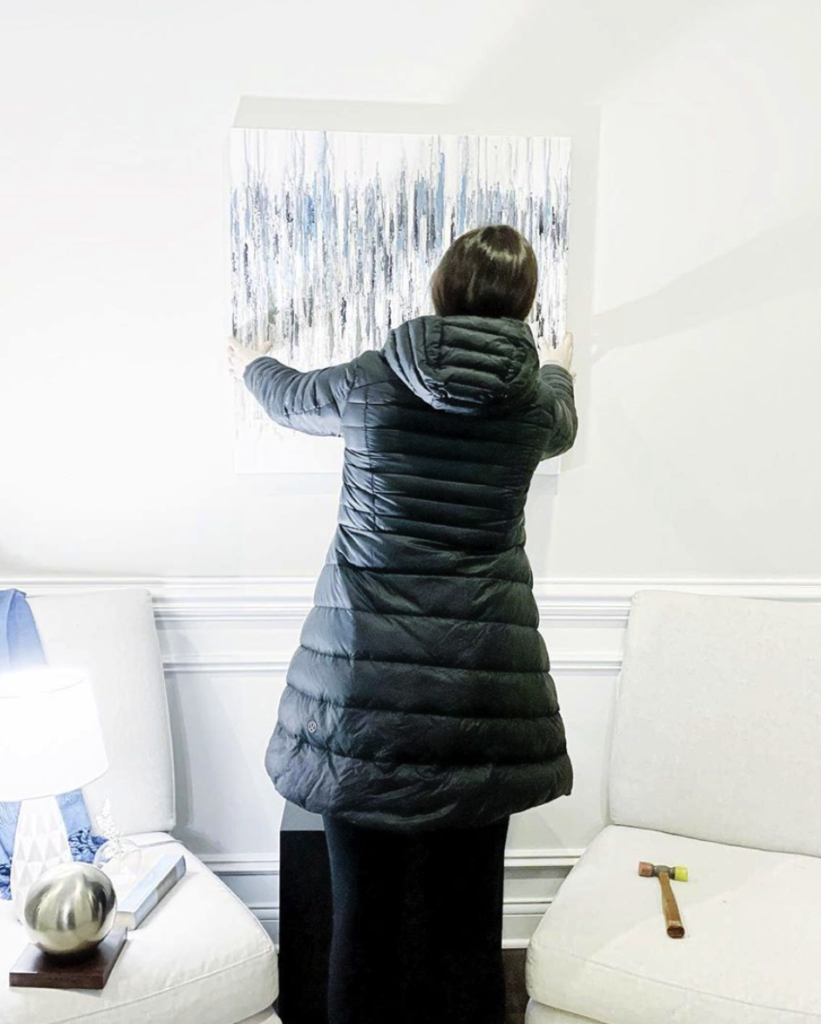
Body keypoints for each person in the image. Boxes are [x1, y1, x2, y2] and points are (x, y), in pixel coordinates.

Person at [227, 224, 577, 1024]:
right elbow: (564, 407)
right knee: (467, 929)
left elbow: (286, 396)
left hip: (363, 690)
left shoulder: (369, 381)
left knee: (364, 923)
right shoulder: (538, 406)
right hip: (485, 692)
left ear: (439, 288)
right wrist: (558, 360)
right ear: (524, 301)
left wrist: (247, 359)